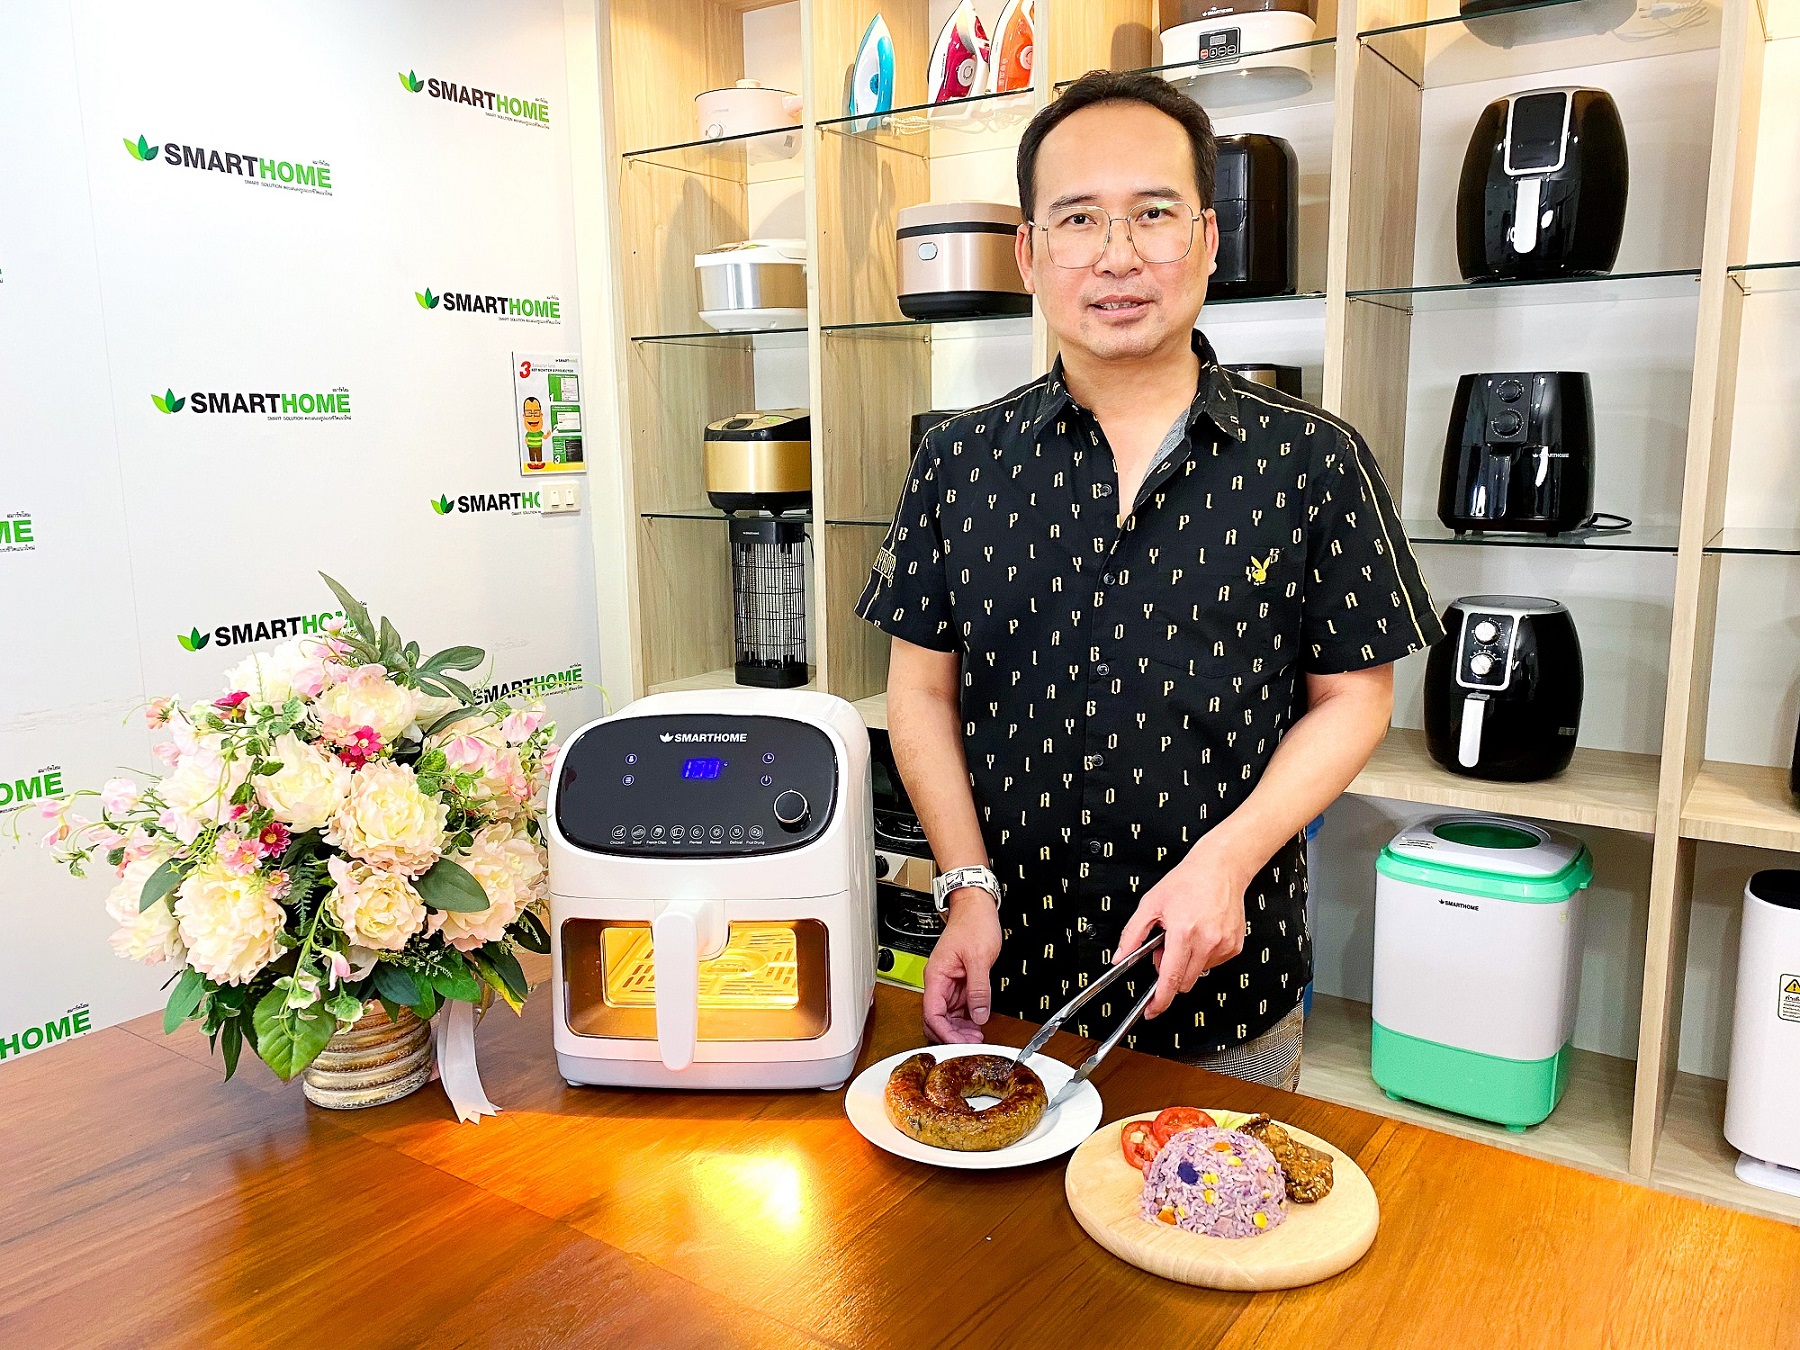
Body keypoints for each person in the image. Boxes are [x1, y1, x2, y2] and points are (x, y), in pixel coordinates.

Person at [853, 70, 1443, 1090]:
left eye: (1154, 214)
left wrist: (1227, 861)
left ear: (1208, 240)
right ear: (1030, 254)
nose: (1117, 256)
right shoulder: (957, 461)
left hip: (1223, 990)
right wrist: (964, 886)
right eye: (1078, 219)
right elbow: (921, 691)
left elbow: (1354, 697)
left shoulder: (1312, 459)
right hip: (1006, 976)